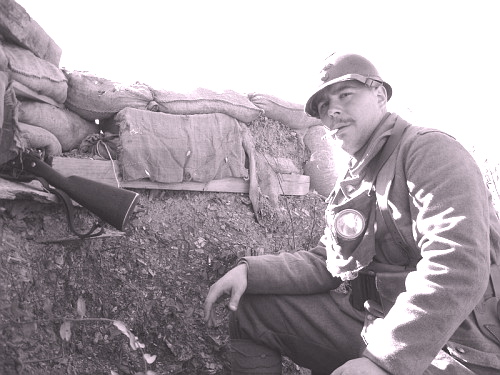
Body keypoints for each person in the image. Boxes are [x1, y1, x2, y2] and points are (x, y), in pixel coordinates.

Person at [204, 52, 500, 375]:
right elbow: (328, 262)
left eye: (345, 95)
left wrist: (383, 361)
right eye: (323, 107)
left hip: (454, 346)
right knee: (252, 312)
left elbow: (458, 265)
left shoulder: (429, 151)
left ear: (380, 95)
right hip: (376, 327)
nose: (332, 111)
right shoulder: (354, 179)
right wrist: (252, 272)